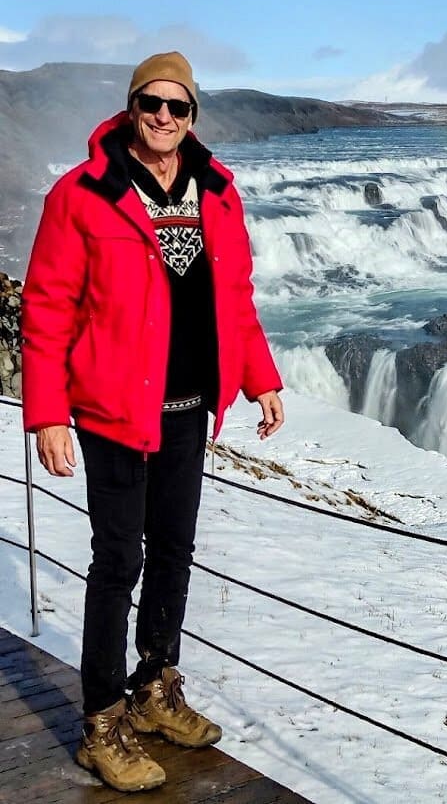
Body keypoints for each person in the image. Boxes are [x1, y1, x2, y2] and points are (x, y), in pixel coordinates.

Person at [21, 51, 284, 792]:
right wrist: (47, 414)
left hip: (189, 407)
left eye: (178, 106)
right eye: (151, 103)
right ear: (131, 107)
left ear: (193, 115)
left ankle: (154, 689)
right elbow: (46, 307)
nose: (164, 117)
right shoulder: (82, 194)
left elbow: (235, 296)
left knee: (173, 551)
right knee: (118, 563)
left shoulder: (217, 190)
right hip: (112, 408)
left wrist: (260, 378)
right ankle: (102, 721)